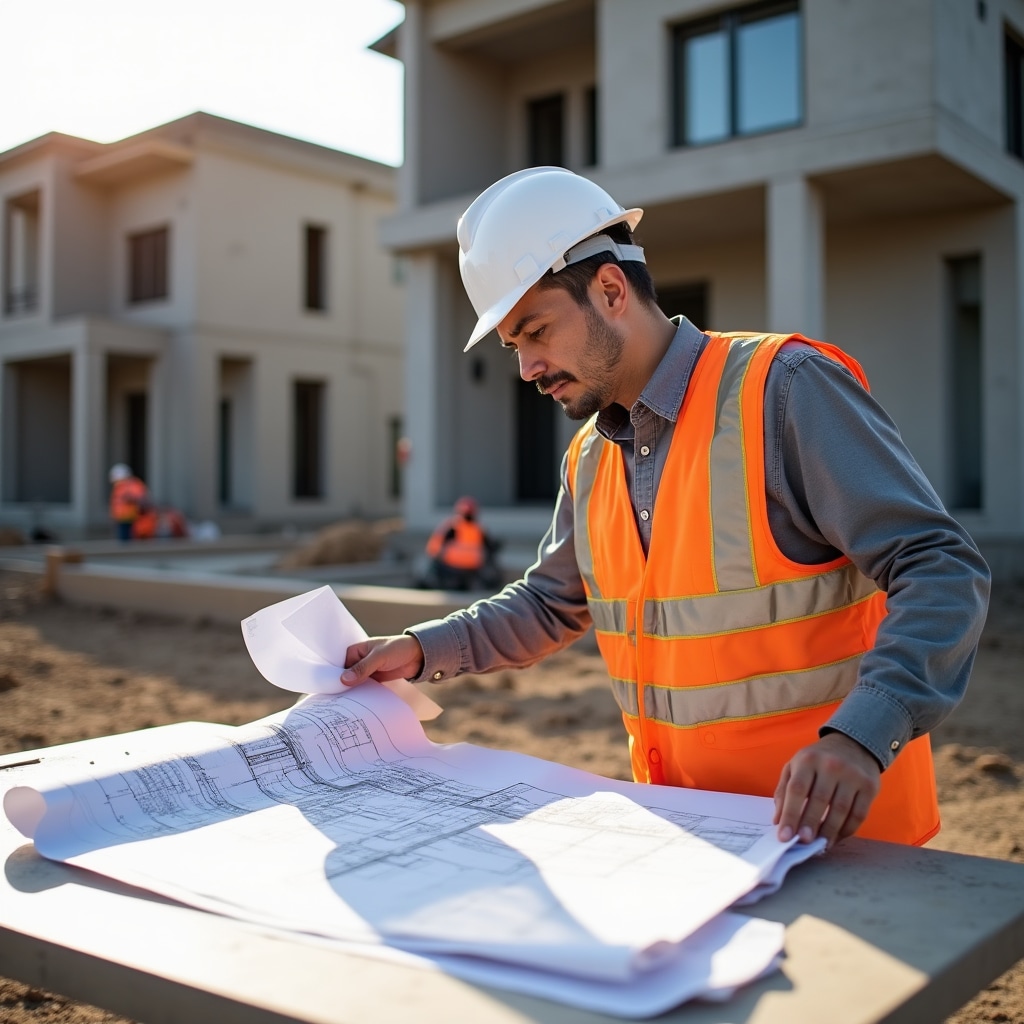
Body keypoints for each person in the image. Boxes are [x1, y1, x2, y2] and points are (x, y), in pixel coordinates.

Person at [342, 166, 991, 851]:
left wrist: (864, 735)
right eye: (513, 347)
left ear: (611, 290)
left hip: (844, 843)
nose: (527, 368)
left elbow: (940, 567)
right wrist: (418, 651)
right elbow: (549, 605)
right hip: (697, 846)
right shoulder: (590, 457)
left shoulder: (785, 391)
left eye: (536, 331)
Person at [418, 496, 502, 591]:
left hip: (454, 567)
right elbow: (491, 547)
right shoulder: (479, 529)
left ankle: (428, 584)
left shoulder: (453, 526)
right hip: (471, 568)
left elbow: (434, 547)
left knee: (433, 564)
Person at [108, 464, 149, 542]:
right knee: (123, 541)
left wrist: (130, 498)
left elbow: (140, 498)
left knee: (129, 542)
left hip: (132, 519)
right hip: (122, 519)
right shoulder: (119, 487)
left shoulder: (132, 485)